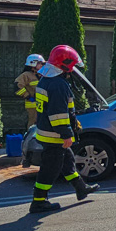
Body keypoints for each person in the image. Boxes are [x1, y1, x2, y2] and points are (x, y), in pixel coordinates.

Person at [29, 45, 100, 213]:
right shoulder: (58, 84)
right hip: (55, 136)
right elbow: (58, 114)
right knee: (50, 169)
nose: (73, 69)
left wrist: (73, 123)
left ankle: (81, 188)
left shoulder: (46, 80)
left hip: (47, 132)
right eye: (72, 66)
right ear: (64, 65)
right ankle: (38, 201)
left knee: (68, 161)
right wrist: (67, 134)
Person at [15, 53, 46, 129]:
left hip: (44, 104)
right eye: (40, 63)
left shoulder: (42, 75)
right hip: (32, 104)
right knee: (33, 123)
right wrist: (28, 96)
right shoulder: (26, 75)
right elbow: (17, 87)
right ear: (33, 64)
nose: (42, 65)